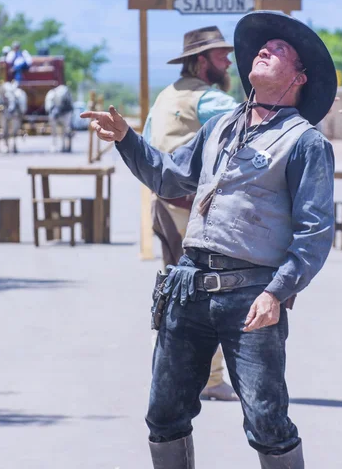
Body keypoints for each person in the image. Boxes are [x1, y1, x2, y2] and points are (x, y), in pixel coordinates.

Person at [81, 11, 337, 469]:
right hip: (188, 286)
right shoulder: (220, 127)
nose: (265, 49)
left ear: (298, 77)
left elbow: (314, 232)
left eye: (280, 49)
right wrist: (126, 138)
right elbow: (169, 176)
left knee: (266, 421)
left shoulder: (305, 142)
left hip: (251, 296)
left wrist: (279, 292)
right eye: (264, 45)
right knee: (163, 415)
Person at [143, 26, 239, 402]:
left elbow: (148, 146)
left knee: (174, 294)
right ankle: (211, 379)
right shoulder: (207, 98)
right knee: (209, 292)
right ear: (202, 62)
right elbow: (252, 120)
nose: (228, 61)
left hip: (165, 205)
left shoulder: (166, 95)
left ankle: (172, 376)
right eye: (220, 56)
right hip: (194, 213)